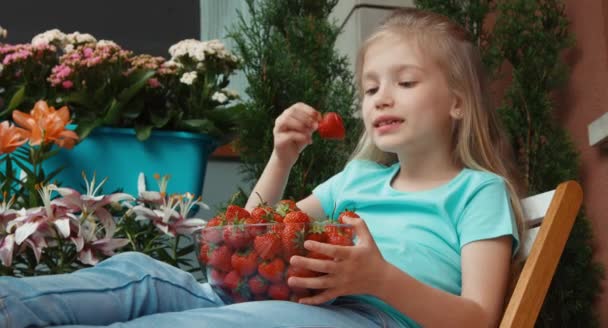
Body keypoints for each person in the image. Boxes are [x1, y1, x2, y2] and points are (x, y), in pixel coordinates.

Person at [0, 8, 522, 328]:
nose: (382, 98)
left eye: (405, 83)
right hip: (269, 299)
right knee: (137, 276)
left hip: (365, 318)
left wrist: (380, 279)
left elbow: (479, 319)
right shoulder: (357, 181)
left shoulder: (478, 192)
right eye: (370, 87)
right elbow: (244, 236)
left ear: (457, 102)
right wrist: (282, 157)